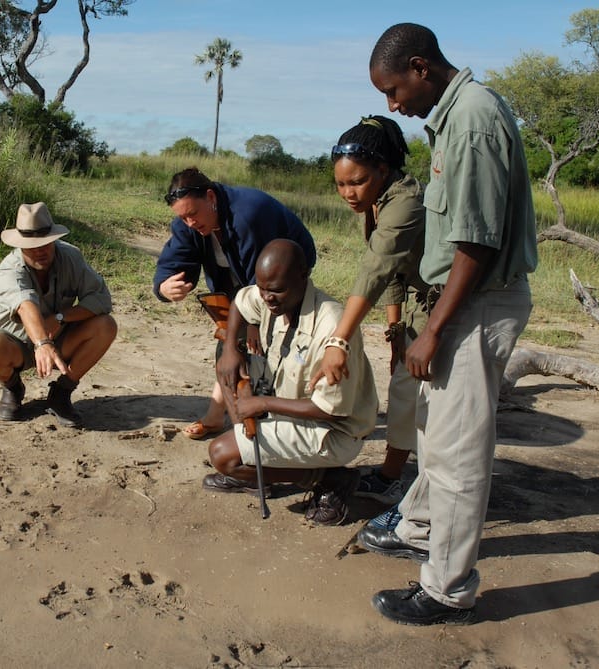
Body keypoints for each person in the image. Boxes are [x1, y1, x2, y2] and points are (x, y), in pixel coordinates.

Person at [358, 23, 538, 626]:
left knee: (460, 458)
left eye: (394, 89)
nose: (393, 105)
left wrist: (433, 328)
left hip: (473, 304)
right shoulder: (453, 117)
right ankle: (421, 529)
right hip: (456, 303)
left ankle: (447, 590)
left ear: (420, 66)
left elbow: (476, 243)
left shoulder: (473, 121)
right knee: (436, 436)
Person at [204, 239, 378, 526]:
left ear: (303, 276)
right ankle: (255, 467)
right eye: (263, 289)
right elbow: (240, 301)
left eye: (276, 291)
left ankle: (329, 479)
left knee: (223, 455)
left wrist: (261, 403)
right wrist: (232, 349)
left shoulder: (331, 326)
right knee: (227, 363)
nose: (267, 298)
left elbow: (329, 410)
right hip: (285, 406)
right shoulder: (269, 294)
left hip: (332, 431)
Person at [307, 115, 428, 508]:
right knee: (404, 385)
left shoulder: (406, 200)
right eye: (341, 183)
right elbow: (394, 273)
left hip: (442, 306)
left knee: (417, 396)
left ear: (382, 168)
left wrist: (338, 339)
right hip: (415, 306)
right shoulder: (380, 200)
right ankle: (396, 476)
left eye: (356, 181)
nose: (348, 192)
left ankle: (399, 481)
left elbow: (377, 267)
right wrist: (395, 333)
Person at [153, 167, 317, 440]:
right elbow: (174, 259)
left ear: (210, 197)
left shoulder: (249, 214)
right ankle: (221, 417)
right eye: (183, 217)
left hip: (283, 280)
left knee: (270, 349)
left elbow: (262, 277)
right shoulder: (187, 223)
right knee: (230, 347)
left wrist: (253, 322)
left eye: (193, 214)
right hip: (237, 284)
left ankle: (275, 419)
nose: (189, 223)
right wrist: (163, 286)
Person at [0, 202, 118, 428]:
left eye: (45, 244)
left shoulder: (70, 256)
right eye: (31, 246)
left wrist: (61, 317)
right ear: (20, 245)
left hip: (58, 337)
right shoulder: (9, 269)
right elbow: (25, 305)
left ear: (53, 239)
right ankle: (12, 387)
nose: (40, 250)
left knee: (106, 326)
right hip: (15, 342)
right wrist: (42, 342)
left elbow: (101, 299)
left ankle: (61, 393)